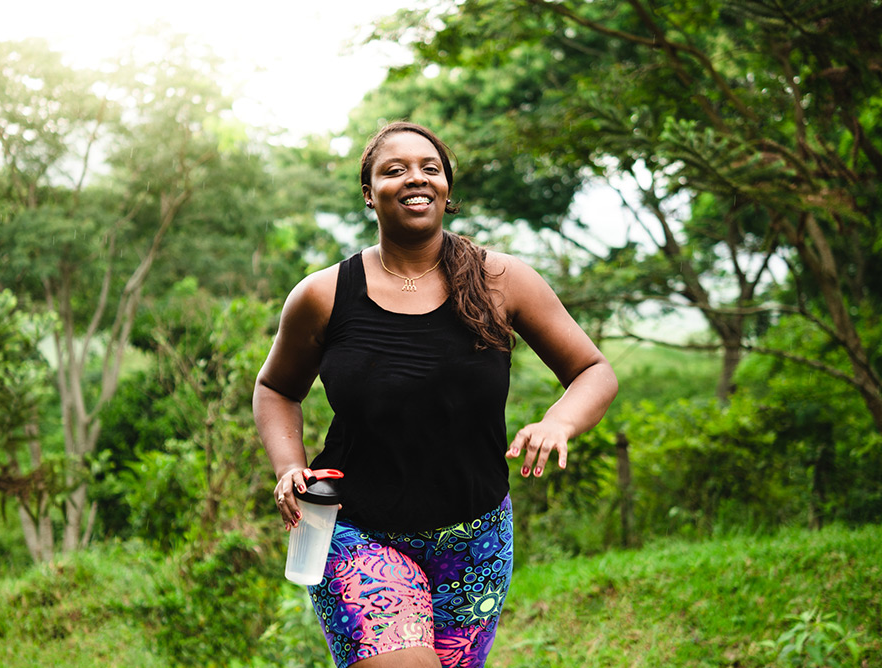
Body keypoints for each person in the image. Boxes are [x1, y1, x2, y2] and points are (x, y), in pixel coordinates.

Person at [253, 121, 618, 668]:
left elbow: (592, 370)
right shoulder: (323, 295)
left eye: (429, 167)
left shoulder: (502, 280)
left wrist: (558, 422)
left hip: (476, 540)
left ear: (447, 186)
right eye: (394, 170)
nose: (415, 178)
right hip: (355, 530)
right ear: (368, 193)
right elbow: (276, 387)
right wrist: (290, 466)